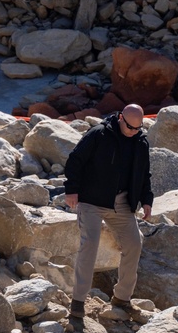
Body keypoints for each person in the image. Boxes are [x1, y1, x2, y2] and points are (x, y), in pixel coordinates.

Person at [63, 104, 153, 318]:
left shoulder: (140, 142)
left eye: (137, 128)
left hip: (122, 203)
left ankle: (122, 299)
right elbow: (75, 160)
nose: (133, 132)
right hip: (91, 201)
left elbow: (144, 174)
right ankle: (77, 303)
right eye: (130, 127)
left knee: (134, 244)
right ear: (121, 118)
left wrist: (146, 200)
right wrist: (71, 190)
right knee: (90, 244)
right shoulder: (98, 134)